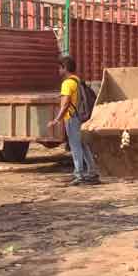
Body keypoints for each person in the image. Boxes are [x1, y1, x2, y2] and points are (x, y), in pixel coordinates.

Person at [47, 55, 100, 186]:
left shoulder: (67, 83)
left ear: (64, 68)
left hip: (72, 118)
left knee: (76, 147)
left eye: (60, 68)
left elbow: (65, 104)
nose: (58, 71)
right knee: (83, 145)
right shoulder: (77, 80)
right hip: (81, 117)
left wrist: (57, 119)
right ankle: (92, 173)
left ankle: (79, 175)